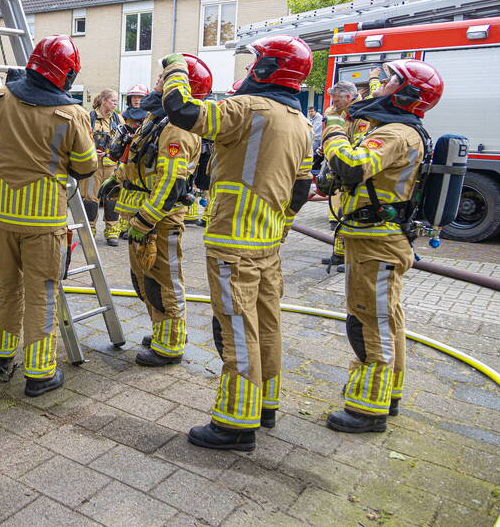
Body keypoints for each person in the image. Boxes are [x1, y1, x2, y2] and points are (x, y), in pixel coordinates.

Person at [160, 35, 314, 451]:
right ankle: (265, 404)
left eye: (255, 64)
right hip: (267, 243)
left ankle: (234, 423)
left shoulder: (248, 109)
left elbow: (183, 110)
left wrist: (175, 67)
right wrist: (280, 225)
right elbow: (302, 187)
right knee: (266, 324)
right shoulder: (300, 122)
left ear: (268, 70)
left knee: (236, 328)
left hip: (233, 242)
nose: (249, 71)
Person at [321, 60, 443, 434]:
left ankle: (367, 410)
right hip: (375, 238)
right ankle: (387, 392)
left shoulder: (396, 133)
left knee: (368, 321)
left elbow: (354, 165)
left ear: (407, 94)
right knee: (388, 319)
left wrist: (334, 131)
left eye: (391, 81)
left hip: (378, 243)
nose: (380, 85)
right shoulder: (395, 130)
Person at [0, 35, 97, 397]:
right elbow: (87, 167)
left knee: (7, 286)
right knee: (42, 292)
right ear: (67, 75)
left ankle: (1, 355)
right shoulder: (72, 115)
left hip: (0, 216)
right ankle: (40, 373)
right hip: (43, 222)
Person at [115, 60, 208, 366]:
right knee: (143, 278)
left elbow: (170, 183)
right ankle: (161, 328)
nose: (157, 81)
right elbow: (143, 161)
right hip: (142, 215)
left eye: (163, 78)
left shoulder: (178, 128)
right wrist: (117, 179)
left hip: (159, 221)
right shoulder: (158, 119)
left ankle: (169, 345)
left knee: (163, 282)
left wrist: (145, 220)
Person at [321, 80, 360, 269]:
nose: (333, 104)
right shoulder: (344, 113)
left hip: (354, 173)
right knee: (341, 214)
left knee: (350, 216)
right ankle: (338, 255)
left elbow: (358, 147)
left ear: (348, 97)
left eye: (336, 101)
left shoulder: (361, 115)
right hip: (343, 172)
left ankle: (350, 258)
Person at [80, 89, 123, 244]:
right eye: (113, 101)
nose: (115, 104)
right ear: (104, 101)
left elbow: (123, 140)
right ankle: (89, 230)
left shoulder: (118, 120)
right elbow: (81, 139)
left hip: (112, 167)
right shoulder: (88, 117)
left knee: (112, 199)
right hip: (93, 167)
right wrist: (91, 151)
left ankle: (112, 231)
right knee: (91, 200)